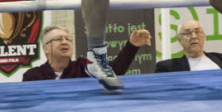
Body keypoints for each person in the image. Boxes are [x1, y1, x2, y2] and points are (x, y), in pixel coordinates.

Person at [22, 25, 151, 81]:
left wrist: (132, 46)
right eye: (58, 39)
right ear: (45, 48)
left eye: (68, 39)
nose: (64, 42)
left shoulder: (84, 67)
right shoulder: (32, 77)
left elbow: (115, 70)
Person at [155, 19, 222, 72]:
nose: (194, 36)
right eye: (188, 33)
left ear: (204, 36)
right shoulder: (168, 67)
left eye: (197, 31)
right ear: (179, 40)